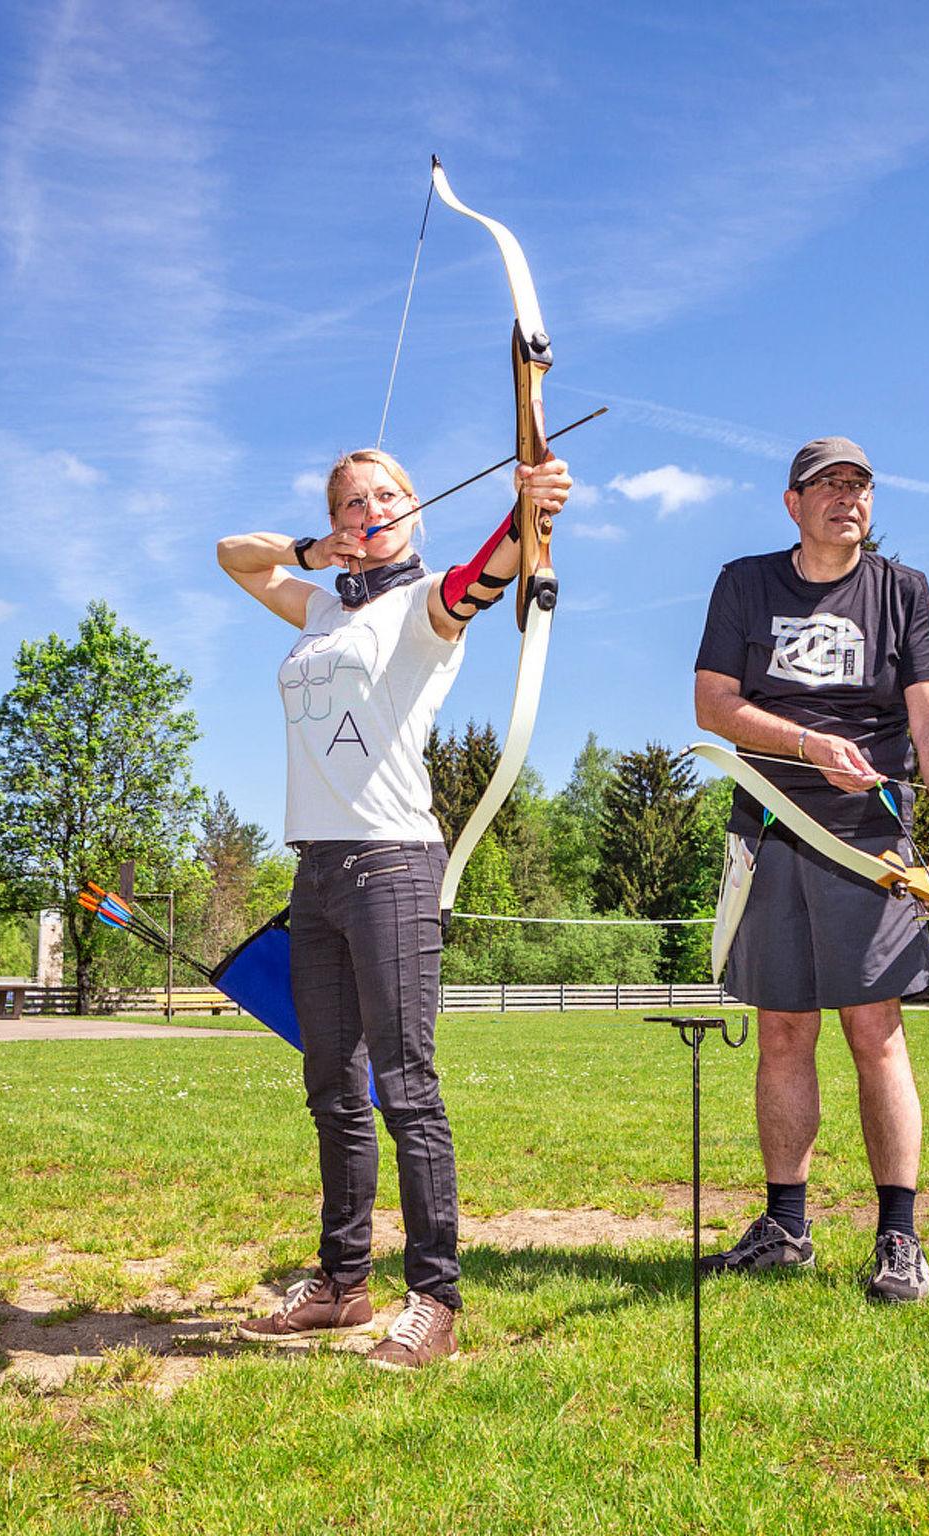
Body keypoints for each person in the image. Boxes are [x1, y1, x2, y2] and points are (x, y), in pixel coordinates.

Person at [216, 446, 570, 1368]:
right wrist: (310, 546)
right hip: (317, 870)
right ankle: (340, 1286)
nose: (368, 508)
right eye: (350, 499)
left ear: (414, 510)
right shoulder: (323, 602)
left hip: (393, 865)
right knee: (332, 1085)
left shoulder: (426, 604)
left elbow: (487, 578)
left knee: (406, 1087)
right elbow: (232, 556)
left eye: (384, 496)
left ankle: (435, 1303)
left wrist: (527, 511)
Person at [692, 436, 929, 1304]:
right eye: (827, 486)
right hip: (772, 827)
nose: (845, 499)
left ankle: (899, 1237)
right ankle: (785, 1225)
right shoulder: (745, 583)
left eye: (859, 487)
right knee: (783, 1031)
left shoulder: (902, 592)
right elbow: (714, 704)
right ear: (793, 502)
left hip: (868, 839)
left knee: (873, 1030)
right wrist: (807, 741)